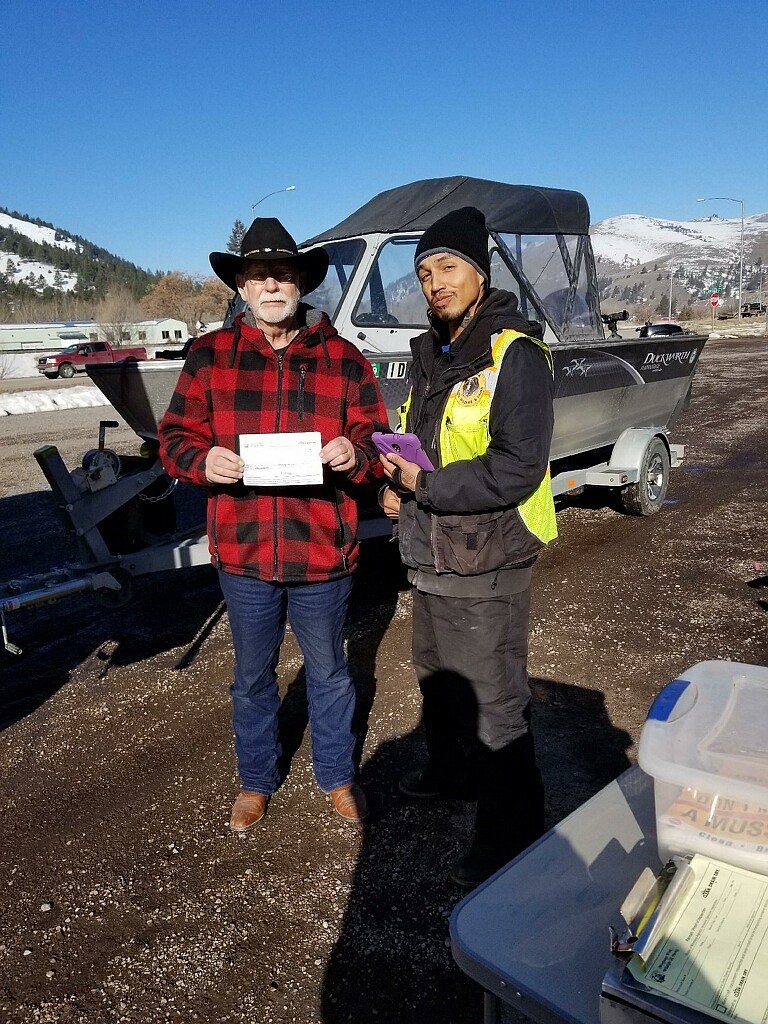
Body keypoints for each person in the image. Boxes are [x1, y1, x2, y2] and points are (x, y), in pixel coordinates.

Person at [159, 218, 388, 832]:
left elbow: (375, 438)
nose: (272, 285)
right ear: (241, 284)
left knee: (332, 670)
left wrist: (356, 455)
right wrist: (203, 460)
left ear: (300, 283)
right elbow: (175, 437)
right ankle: (257, 779)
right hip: (245, 548)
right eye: (259, 275)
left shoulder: (342, 357)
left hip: (321, 550)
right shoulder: (210, 355)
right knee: (251, 675)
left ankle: (337, 774)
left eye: (283, 275)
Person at [378, 206, 558, 888]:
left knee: (493, 697)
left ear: (479, 274)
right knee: (438, 678)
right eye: (424, 273)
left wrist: (427, 482)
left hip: (489, 556)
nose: (434, 283)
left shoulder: (515, 354)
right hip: (430, 552)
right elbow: (417, 442)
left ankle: (512, 832)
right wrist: (394, 487)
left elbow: (519, 465)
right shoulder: (431, 355)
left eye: (447, 268)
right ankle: (452, 773)